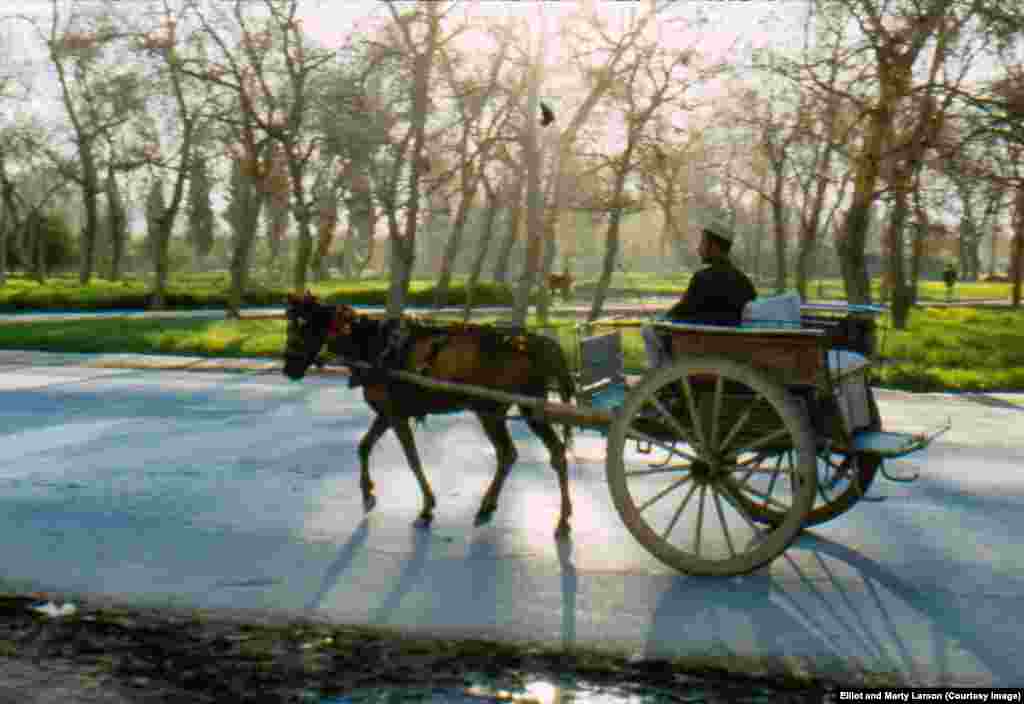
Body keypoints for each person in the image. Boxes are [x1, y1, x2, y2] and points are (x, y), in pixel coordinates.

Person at [642, 221, 757, 369]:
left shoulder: (702, 278)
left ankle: (660, 376)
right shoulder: (744, 282)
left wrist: (660, 319)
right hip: (733, 353)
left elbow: (680, 311)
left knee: (648, 329)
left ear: (714, 247)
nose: (698, 249)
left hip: (701, 349)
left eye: (702, 243)